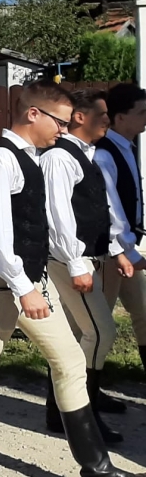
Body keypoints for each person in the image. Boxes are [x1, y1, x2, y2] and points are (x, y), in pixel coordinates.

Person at [0, 79, 139, 477]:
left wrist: (35, 282)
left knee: (71, 359)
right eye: (58, 121)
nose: (63, 128)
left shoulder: (34, 157)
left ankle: (96, 465)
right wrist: (24, 288)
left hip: (26, 279)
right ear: (32, 114)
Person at [43, 89, 129, 443]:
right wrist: (77, 263)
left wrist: (116, 249)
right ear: (80, 117)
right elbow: (59, 217)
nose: (109, 120)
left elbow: (96, 212)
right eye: (103, 114)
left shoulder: (87, 155)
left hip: (83, 257)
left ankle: (62, 411)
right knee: (101, 332)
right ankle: (83, 413)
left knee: (78, 337)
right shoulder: (60, 158)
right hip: (65, 259)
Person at [95, 83, 146, 374]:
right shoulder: (105, 153)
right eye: (141, 112)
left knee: (143, 314)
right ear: (121, 117)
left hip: (127, 250)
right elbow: (109, 208)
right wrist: (123, 250)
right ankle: (83, 393)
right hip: (111, 255)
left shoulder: (127, 147)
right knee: (97, 325)